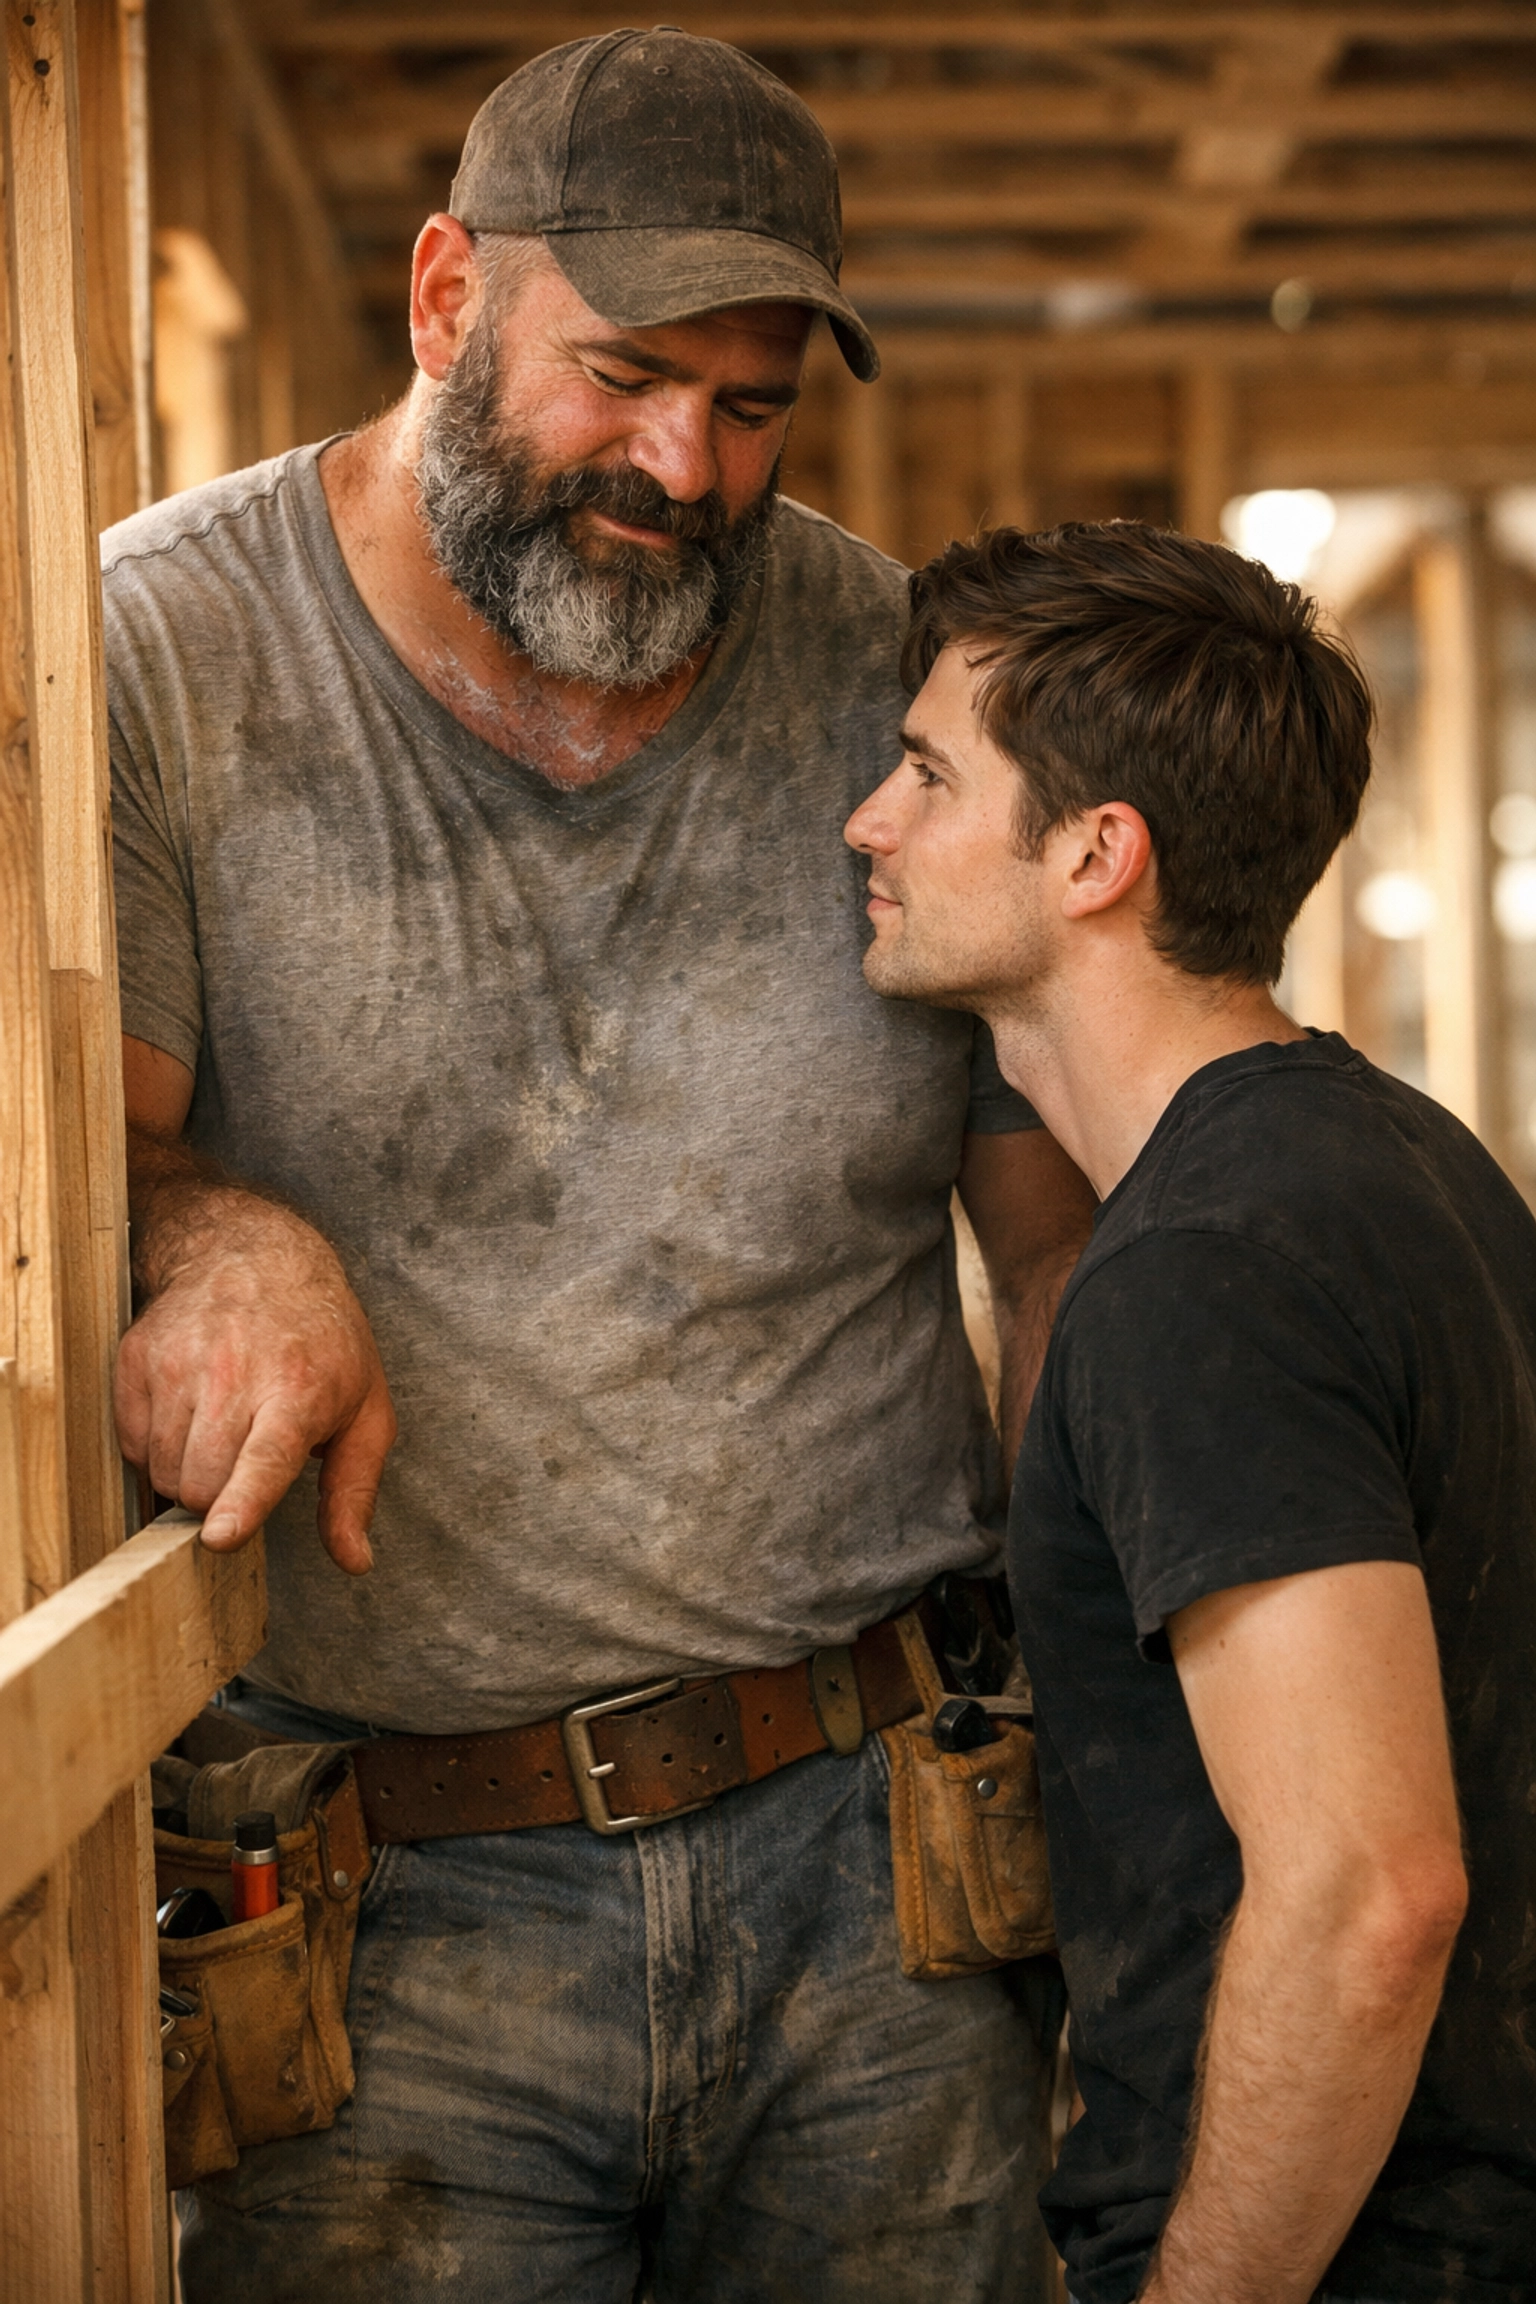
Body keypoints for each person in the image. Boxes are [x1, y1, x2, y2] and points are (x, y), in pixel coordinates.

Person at [107, 30, 1093, 2304]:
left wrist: (1147, 1691)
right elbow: (79, 1173)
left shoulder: (899, 674)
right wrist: (222, 1234)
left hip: (895, 1871)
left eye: (752, 407)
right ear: (447, 296)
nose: (684, 463)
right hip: (388, 1907)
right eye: (625, 375)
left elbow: (1056, 1244)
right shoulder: (155, 657)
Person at [845, 520, 1536, 2304]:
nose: (871, 821)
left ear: (1095, 855)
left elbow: (1368, 1897)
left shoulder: (1198, 1275)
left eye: (928, 775)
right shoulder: (1411, 1162)